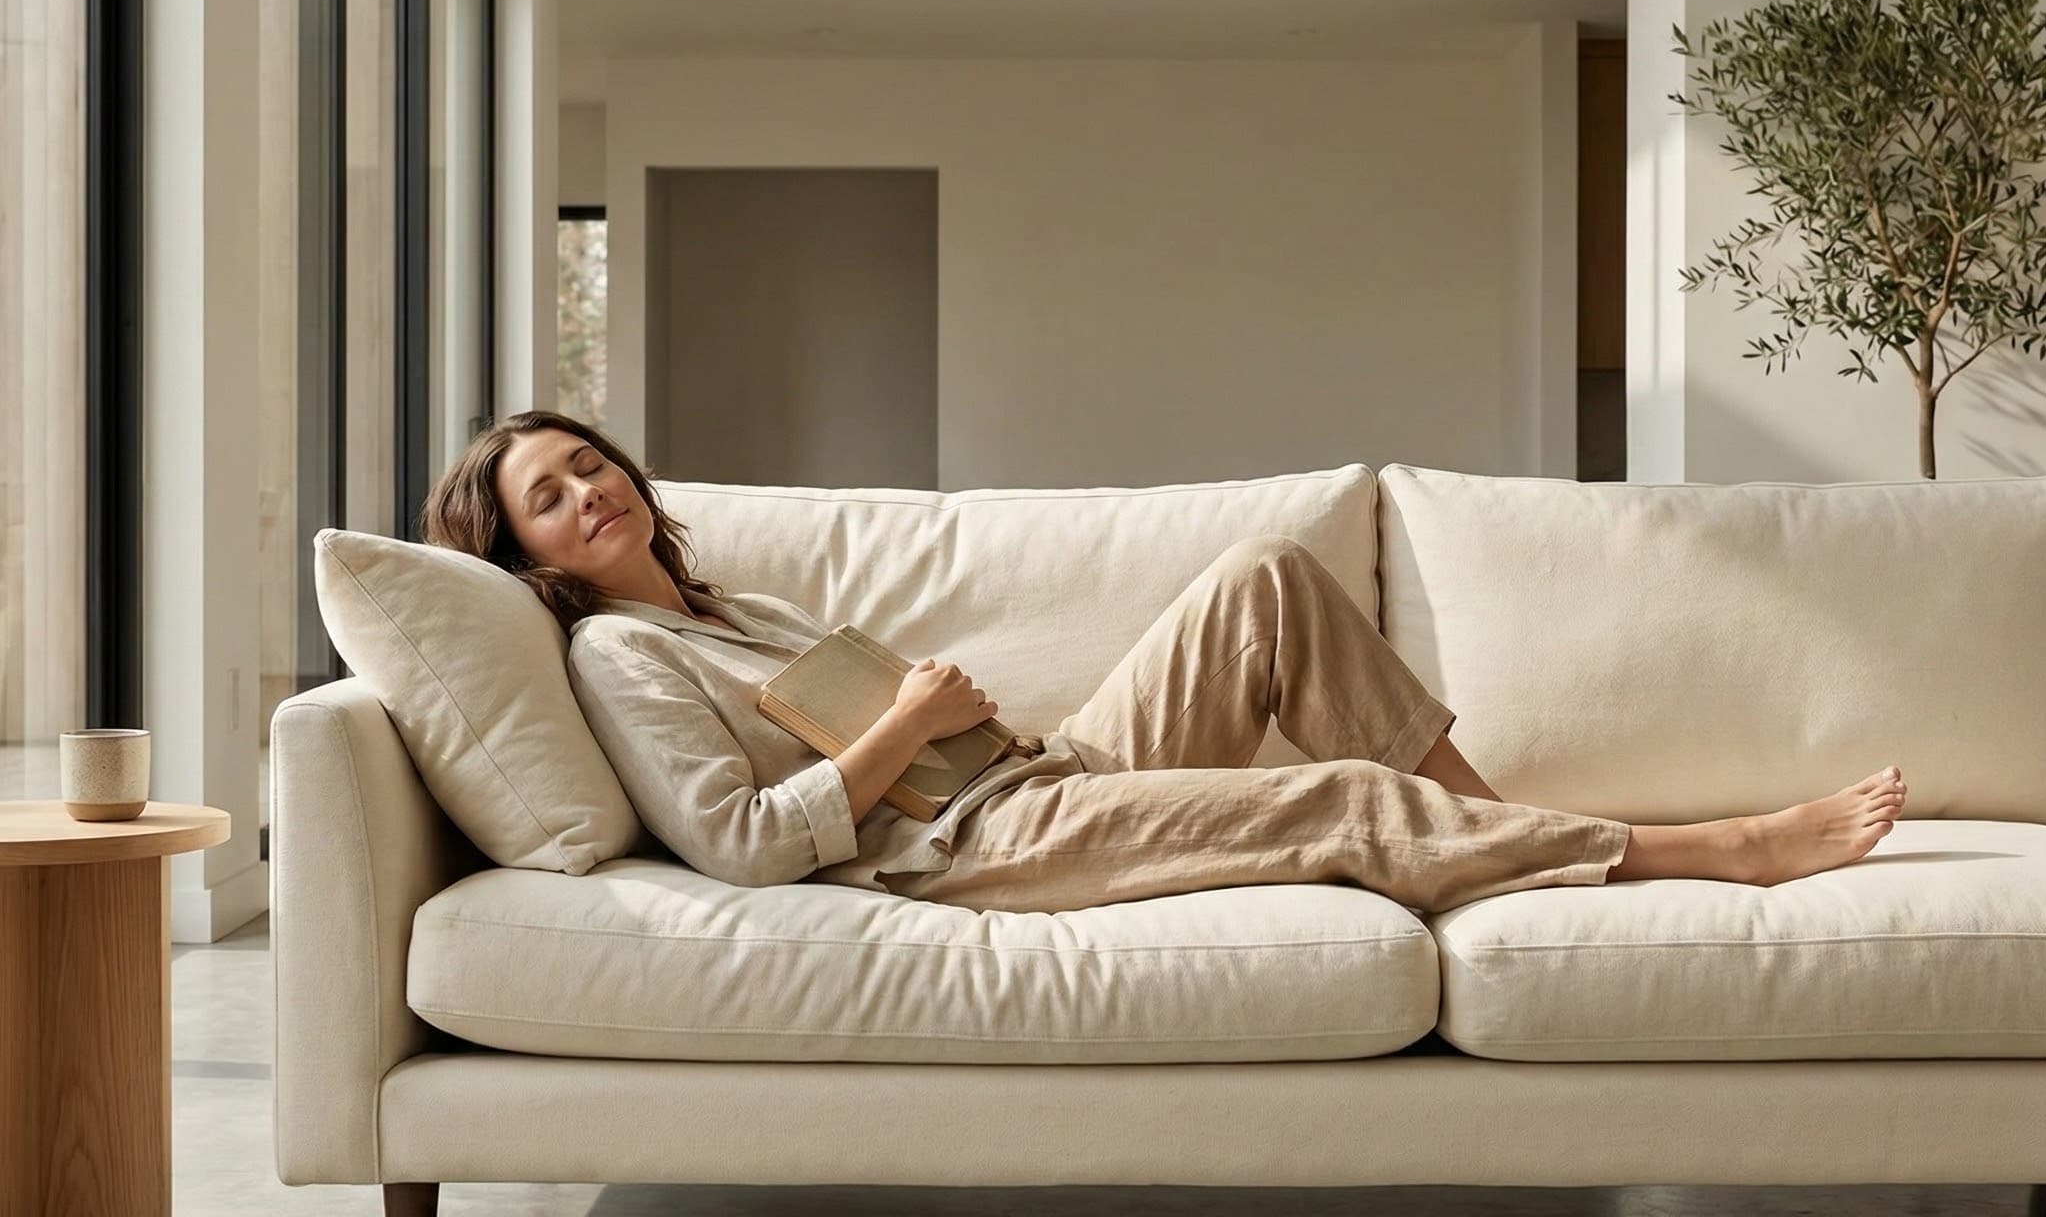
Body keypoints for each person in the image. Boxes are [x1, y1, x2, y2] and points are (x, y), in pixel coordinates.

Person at [421, 410, 1908, 916]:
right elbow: (745, 847)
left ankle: (1499, 830)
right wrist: (910, 726)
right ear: (529, 558)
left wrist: (946, 711)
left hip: (1040, 771)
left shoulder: (716, 604)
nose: (586, 490)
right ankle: (1718, 852)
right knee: (1332, 801)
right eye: (547, 497)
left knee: (1266, 580)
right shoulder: (621, 656)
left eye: (585, 462)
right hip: (969, 842)